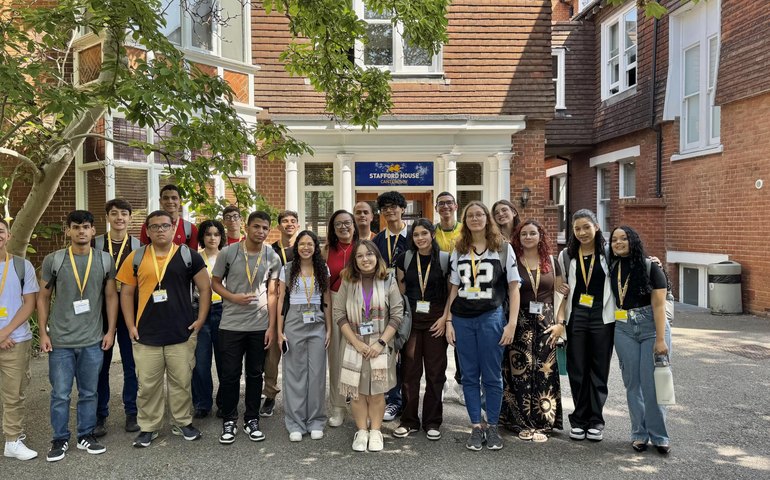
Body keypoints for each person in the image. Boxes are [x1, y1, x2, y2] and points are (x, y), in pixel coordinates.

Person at [117, 210, 210, 448]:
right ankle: (149, 427)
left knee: (181, 381)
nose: (160, 230)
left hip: (182, 332)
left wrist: (200, 320)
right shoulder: (135, 257)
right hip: (146, 333)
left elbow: (205, 288)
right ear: (147, 231)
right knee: (148, 385)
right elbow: (126, 293)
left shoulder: (189, 256)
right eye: (155, 226)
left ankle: (183, 422)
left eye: (165, 226)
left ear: (173, 229)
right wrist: (129, 325)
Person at [38, 210, 118, 461]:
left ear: (94, 231)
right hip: (60, 341)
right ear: (68, 231)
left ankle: (85, 435)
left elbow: (111, 296)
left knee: (89, 392)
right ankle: (59, 439)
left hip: (92, 340)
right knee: (60, 394)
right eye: (76, 227)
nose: (81, 231)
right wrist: (43, 332)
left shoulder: (105, 260)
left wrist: (111, 330)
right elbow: (43, 297)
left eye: (86, 227)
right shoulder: (54, 260)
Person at [445, 201, 521, 451]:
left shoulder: (502, 248)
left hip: (491, 316)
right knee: (468, 375)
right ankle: (476, 426)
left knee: (492, 375)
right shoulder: (459, 248)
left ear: (487, 218)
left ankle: (493, 425)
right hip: (463, 318)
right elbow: (454, 287)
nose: (475, 218)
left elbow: (513, 287)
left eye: (480, 214)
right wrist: (448, 320)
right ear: (465, 220)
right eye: (470, 215)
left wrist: (511, 324)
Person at [211, 211, 281, 445]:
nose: (260, 232)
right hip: (231, 324)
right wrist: (232, 297)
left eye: (265, 228)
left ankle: (252, 419)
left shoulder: (272, 256)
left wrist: (271, 327)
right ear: (247, 228)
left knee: (254, 374)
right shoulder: (228, 253)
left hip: (259, 325)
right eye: (256, 227)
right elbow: (215, 283)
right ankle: (229, 419)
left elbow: (272, 293)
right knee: (230, 375)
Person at [333, 240, 403, 452]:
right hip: (354, 345)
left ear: (377, 257)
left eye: (369, 254)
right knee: (356, 392)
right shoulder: (347, 280)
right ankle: (362, 430)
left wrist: (381, 342)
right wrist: (355, 343)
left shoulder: (388, 280)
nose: (365, 259)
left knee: (377, 393)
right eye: (360, 256)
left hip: (380, 345)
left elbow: (397, 315)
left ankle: (376, 431)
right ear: (355, 260)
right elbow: (339, 314)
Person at [609, 226, 672, 454]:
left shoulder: (650, 266)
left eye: (623, 238)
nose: (618, 243)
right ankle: (639, 434)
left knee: (652, 384)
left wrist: (661, 339)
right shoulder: (612, 265)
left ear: (633, 240)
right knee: (632, 384)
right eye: (614, 239)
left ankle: (659, 436)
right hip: (623, 327)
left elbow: (659, 305)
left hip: (650, 327)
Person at [500, 220, 563, 442]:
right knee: (519, 371)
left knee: (545, 372)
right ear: (518, 237)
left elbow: (562, 293)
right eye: (524, 233)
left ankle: (543, 422)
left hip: (546, 322)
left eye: (532, 233)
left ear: (540, 236)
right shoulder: (514, 262)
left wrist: (560, 323)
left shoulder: (552, 262)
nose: (528, 237)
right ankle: (519, 421)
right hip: (520, 320)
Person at [556, 209, 615, 443]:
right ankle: (579, 419)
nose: (582, 232)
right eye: (577, 229)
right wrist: (560, 319)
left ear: (596, 226)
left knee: (599, 370)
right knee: (577, 369)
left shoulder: (609, 253)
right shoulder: (567, 255)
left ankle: (596, 420)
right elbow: (561, 290)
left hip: (603, 318)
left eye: (586, 227)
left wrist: (652, 261)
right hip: (577, 317)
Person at [393, 219, 450, 441]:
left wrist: (445, 319)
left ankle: (432, 421)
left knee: (436, 374)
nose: (420, 238)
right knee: (409, 372)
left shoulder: (445, 260)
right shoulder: (404, 259)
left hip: (436, 321)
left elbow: (450, 292)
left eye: (424, 233)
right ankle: (408, 421)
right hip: (412, 322)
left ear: (432, 235)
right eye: (415, 235)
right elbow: (400, 292)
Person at [277, 230, 332, 441]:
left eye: (310, 244)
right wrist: (280, 331)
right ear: (296, 247)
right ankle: (295, 423)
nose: (306, 247)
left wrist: (329, 329)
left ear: (315, 247)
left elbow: (326, 300)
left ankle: (316, 421)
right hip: (293, 321)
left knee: (317, 374)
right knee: (294, 374)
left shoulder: (322, 268)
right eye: (302, 244)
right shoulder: (287, 268)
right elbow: (282, 301)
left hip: (317, 321)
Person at [94, 199, 141, 437]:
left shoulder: (140, 246)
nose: (119, 218)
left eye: (124, 214)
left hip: (130, 310)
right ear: (107, 217)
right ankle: (100, 415)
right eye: (114, 213)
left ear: (130, 218)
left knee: (132, 364)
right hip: (99, 312)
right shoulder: (95, 244)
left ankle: (132, 412)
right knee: (100, 366)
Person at [0, 219, 40, 460]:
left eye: (0, 231)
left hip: (16, 340)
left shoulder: (22, 266)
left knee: (14, 394)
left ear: (9, 235)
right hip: (6, 338)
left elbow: (30, 304)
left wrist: (4, 333)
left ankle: (12, 441)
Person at [372, 191, 408, 421]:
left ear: (403, 209)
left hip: (410, 301)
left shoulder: (415, 235)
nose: (389, 211)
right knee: (388, 352)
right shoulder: (377, 240)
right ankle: (392, 399)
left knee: (407, 353)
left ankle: (406, 399)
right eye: (385, 207)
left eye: (394, 206)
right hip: (383, 303)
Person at [322, 209, 359, 427]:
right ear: (333, 229)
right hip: (335, 302)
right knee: (336, 358)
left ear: (354, 225)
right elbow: (323, 287)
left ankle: (357, 404)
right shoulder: (326, 251)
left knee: (356, 357)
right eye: (338, 224)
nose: (343, 227)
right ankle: (337, 406)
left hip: (359, 304)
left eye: (347, 223)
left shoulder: (364, 248)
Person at [263, 210, 299, 417]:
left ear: (298, 225)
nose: (289, 224)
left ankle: (297, 397)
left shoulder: (304, 247)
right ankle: (269, 396)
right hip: (276, 303)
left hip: (297, 306)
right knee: (272, 355)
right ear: (279, 227)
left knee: (297, 355)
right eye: (285, 221)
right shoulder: (271, 250)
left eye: (293, 221)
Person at [192, 219, 226, 419]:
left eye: (216, 234)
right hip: (200, 312)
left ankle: (224, 402)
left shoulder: (228, 256)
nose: (212, 238)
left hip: (224, 310)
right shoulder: (195, 258)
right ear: (202, 237)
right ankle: (202, 403)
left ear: (221, 237)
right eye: (208, 234)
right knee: (201, 362)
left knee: (224, 361)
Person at [433, 191, 464, 404]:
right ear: (436, 209)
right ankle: (440, 381)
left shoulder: (465, 230)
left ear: (456, 206)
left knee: (461, 342)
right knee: (438, 343)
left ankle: (461, 383)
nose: (445, 207)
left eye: (449, 203)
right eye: (441, 204)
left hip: (462, 292)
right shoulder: (431, 232)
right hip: (437, 291)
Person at [139, 184, 198, 249]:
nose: (170, 201)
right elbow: (143, 253)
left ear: (180, 201)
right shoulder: (149, 226)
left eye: (174, 198)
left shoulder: (190, 229)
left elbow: (193, 257)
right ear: (160, 201)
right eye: (166, 198)